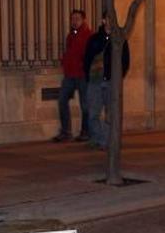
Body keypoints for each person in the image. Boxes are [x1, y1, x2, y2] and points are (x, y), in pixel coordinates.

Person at [84, 12, 130, 151]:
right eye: (109, 19)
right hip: (95, 81)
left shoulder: (120, 39)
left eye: (113, 19)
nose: (111, 22)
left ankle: (105, 141)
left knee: (110, 113)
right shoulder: (94, 39)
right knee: (93, 113)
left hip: (111, 81)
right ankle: (97, 138)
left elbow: (125, 61)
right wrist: (88, 76)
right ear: (103, 20)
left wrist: (118, 78)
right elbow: (87, 59)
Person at [53, 10, 93, 143]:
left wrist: (83, 65)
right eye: (73, 19)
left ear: (84, 20)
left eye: (77, 18)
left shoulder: (88, 35)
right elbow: (70, 52)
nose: (74, 21)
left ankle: (85, 132)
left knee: (85, 105)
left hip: (82, 75)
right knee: (62, 100)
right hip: (70, 74)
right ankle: (66, 132)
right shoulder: (71, 35)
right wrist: (64, 61)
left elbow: (89, 55)